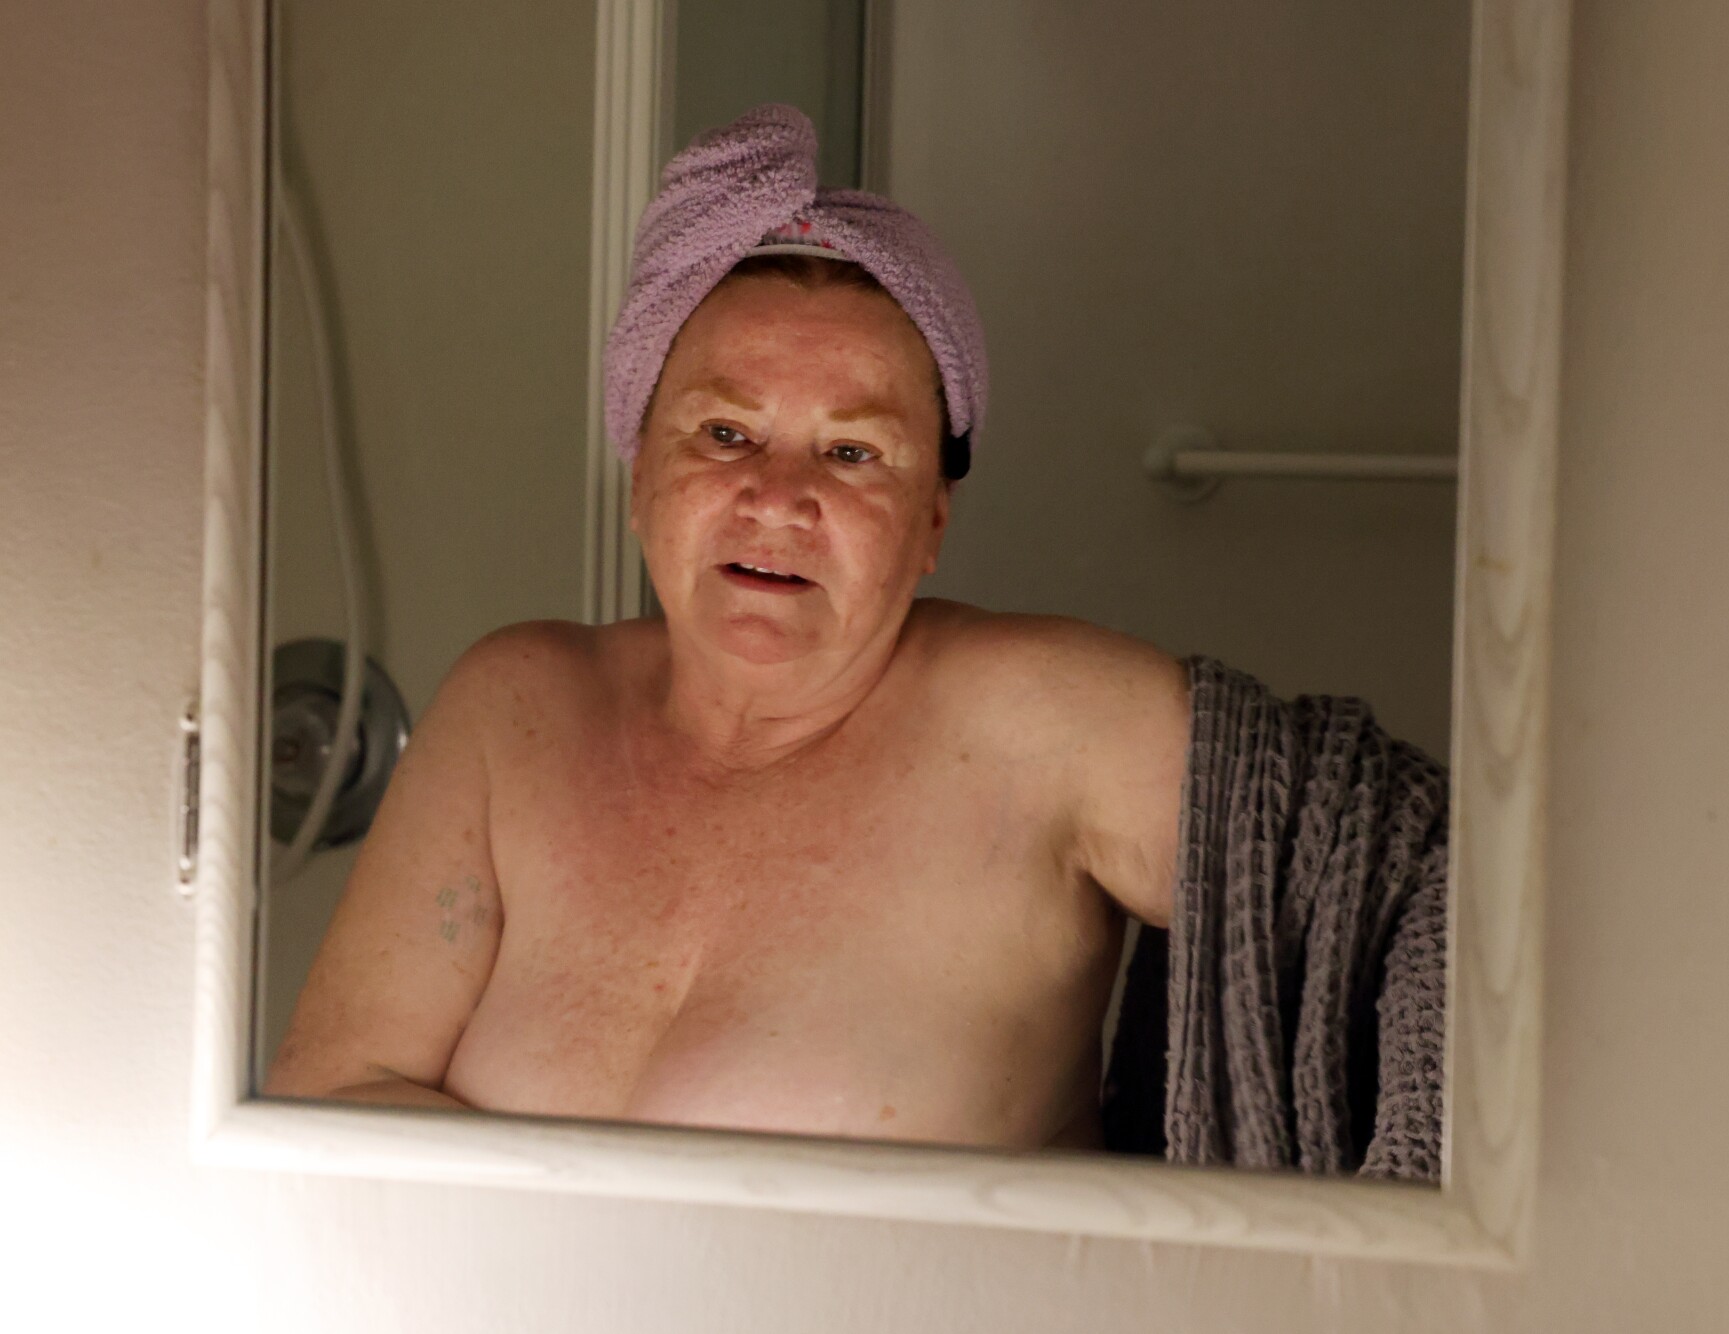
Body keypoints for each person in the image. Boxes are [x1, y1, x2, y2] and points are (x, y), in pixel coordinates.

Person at [265, 106, 1191, 1151]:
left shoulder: (1054, 723)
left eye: (850, 453)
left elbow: (1378, 914)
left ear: (932, 517)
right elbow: (333, 1096)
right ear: (640, 475)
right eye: (724, 433)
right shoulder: (511, 706)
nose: (776, 496)